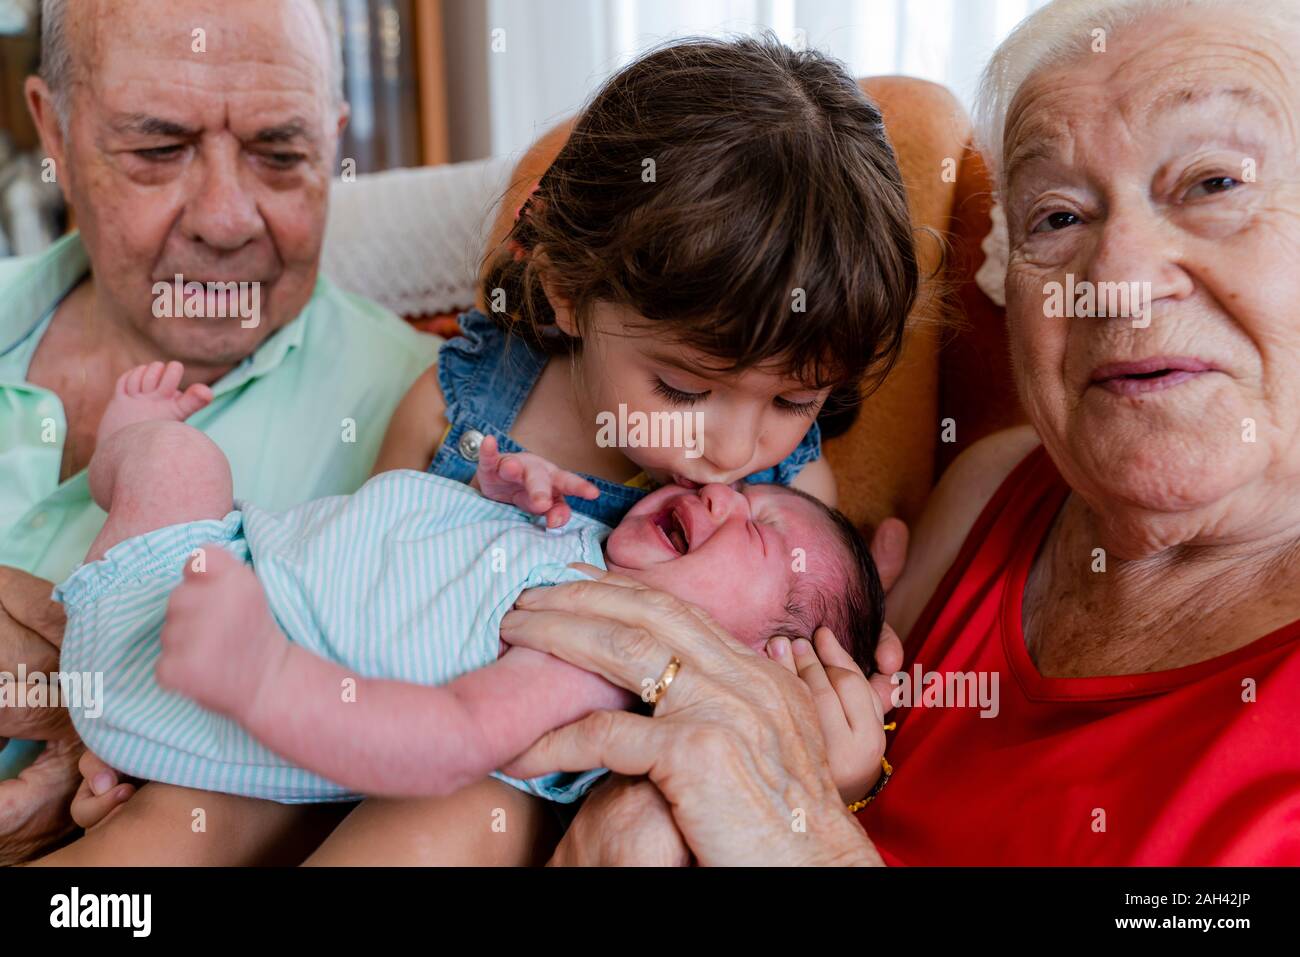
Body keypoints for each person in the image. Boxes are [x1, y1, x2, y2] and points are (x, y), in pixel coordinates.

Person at [511, 0, 1300, 866]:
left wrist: (797, 840)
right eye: (1058, 217)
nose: (1113, 280)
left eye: (1213, 183)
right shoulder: (991, 493)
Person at [32, 358, 885, 865]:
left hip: (222, 675)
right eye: (739, 495)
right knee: (176, 458)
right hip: (186, 582)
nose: (724, 491)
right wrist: (495, 490)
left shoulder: (587, 669)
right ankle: (125, 444)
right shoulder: (577, 534)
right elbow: (412, 556)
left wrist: (259, 675)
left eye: (765, 530)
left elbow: (444, 737)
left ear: (748, 661)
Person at [0, 0, 440, 863]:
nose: (226, 217)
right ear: (53, 132)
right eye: (159, 150)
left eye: (282, 154)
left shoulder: (424, 417)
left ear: (335, 140)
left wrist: (101, 715)